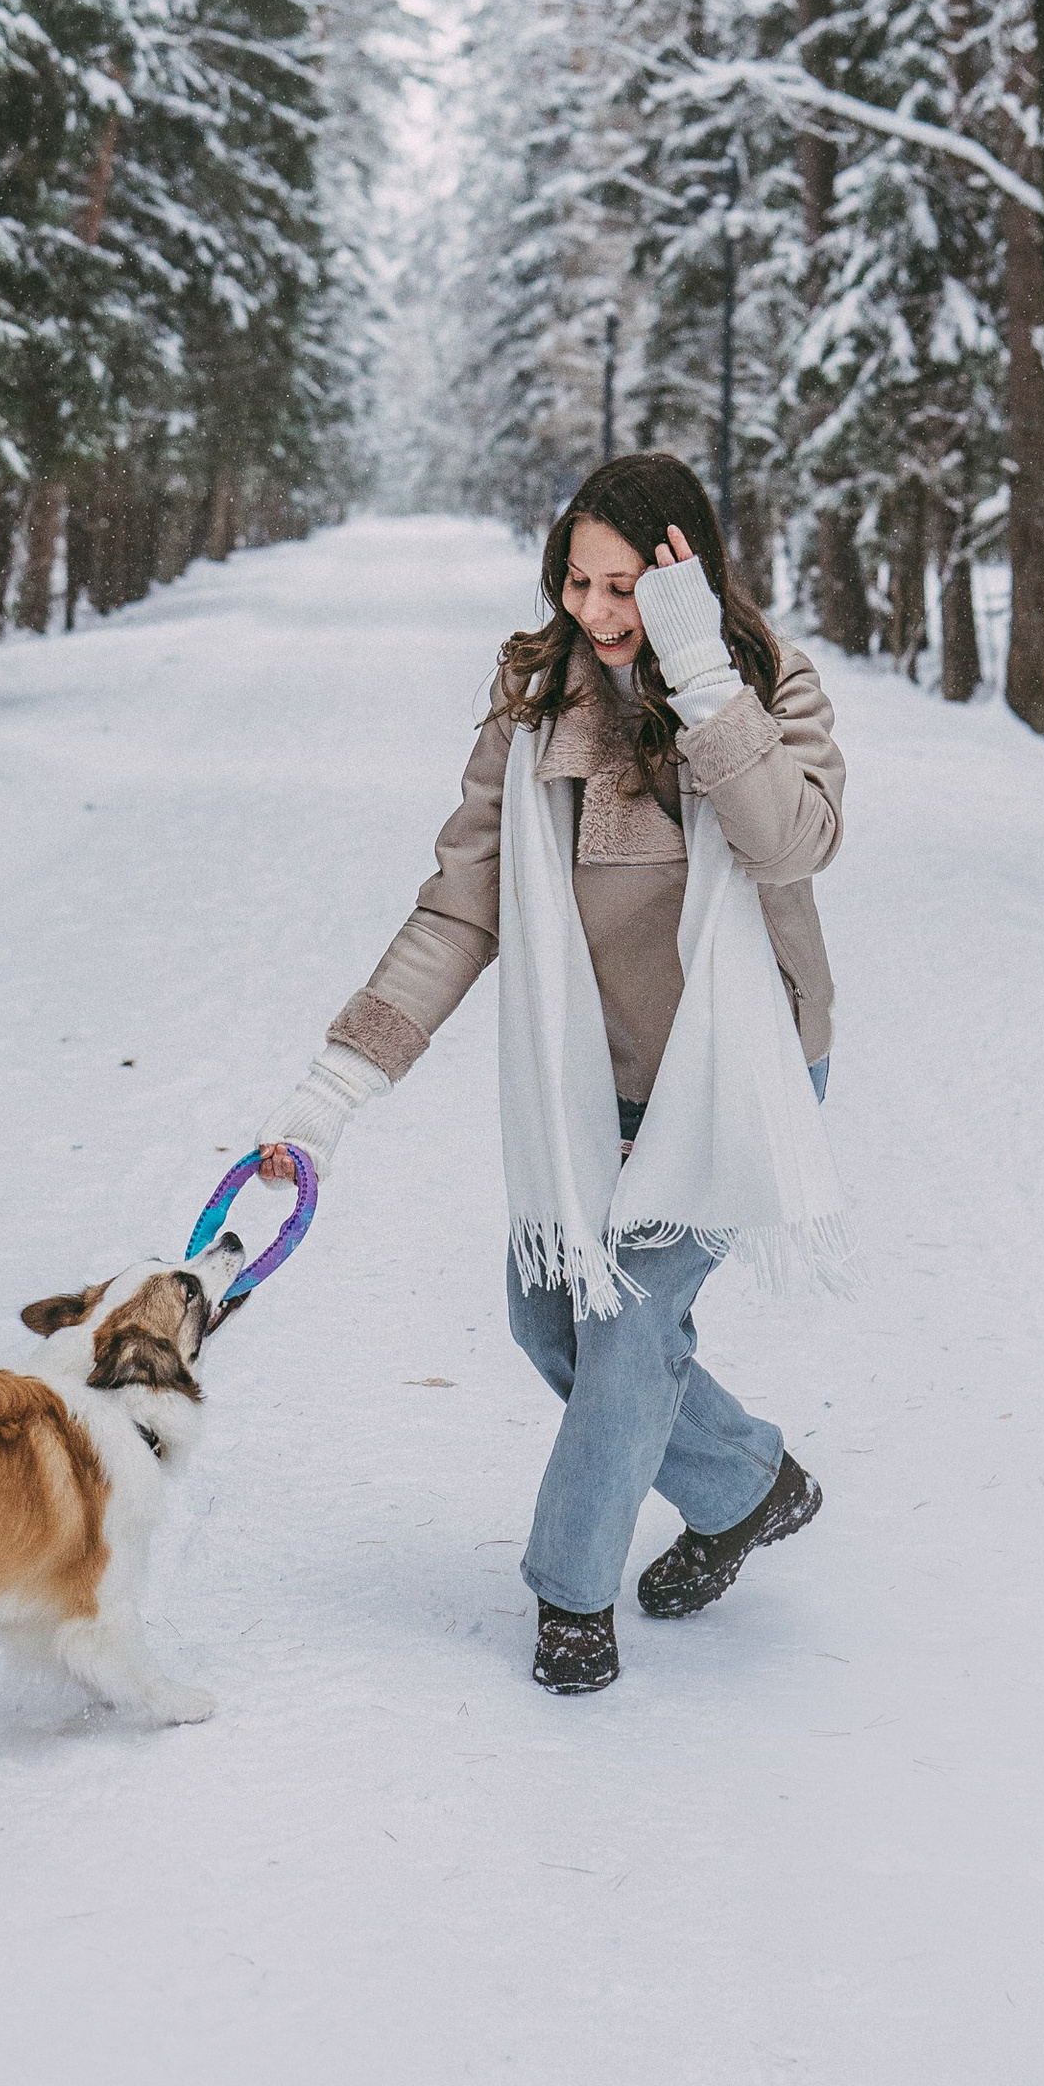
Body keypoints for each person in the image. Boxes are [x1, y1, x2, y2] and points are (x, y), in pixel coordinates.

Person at [259, 451, 847, 1696]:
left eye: (625, 584)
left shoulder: (765, 687)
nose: (592, 611)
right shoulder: (532, 707)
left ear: (688, 572)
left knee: (628, 1326)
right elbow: (459, 909)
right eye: (576, 581)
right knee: (550, 1319)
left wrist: (692, 667)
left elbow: (792, 840)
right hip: (596, 1089)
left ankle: (569, 1596)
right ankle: (746, 1483)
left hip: (737, 1074)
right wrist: (336, 1089)